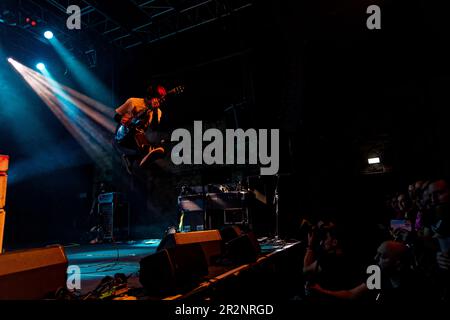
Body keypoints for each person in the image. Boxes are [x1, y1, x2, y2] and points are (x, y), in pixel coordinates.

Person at [113, 85, 167, 174]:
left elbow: (154, 127)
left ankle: (133, 157)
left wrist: (155, 110)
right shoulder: (133, 102)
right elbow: (116, 116)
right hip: (123, 134)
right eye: (156, 98)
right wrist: (121, 119)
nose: (157, 101)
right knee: (138, 133)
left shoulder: (158, 111)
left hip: (137, 138)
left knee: (156, 143)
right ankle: (145, 152)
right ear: (150, 96)